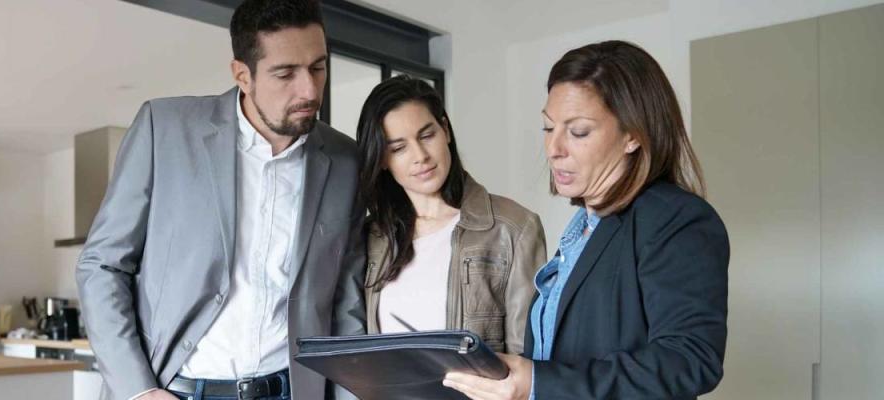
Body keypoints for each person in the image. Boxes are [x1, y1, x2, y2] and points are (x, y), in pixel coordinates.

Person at [75, 1, 365, 399]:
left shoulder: (345, 160)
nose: (310, 90)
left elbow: (345, 298)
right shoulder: (165, 130)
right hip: (174, 390)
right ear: (242, 75)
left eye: (318, 67)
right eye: (286, 73)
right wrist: (138, 390)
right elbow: (102, 265)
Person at [443, 40, 729, 399]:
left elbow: (689, 360)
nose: (554, 148)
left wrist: (538, 381)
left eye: (578, 132)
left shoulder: (675, 219)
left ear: (633, 135)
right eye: (549, 128)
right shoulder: (583, 230)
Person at [354, 76, 546, 354]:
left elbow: (527, 358)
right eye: (398, 148)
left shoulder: (513, 228)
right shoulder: (372, 238)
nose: (420, 156)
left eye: (426, 135)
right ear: (382, 159)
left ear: (445, 130)